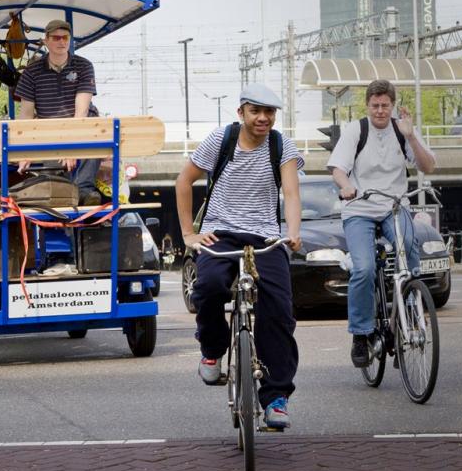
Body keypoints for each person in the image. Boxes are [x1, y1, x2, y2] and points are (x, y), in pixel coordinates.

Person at [175, 83, 303, 429]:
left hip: (265, 235)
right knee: (210, 286)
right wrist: (189, 233)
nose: (263, 118)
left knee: (278, 308)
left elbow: (291, 192)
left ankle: (276, 398)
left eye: (270, 112)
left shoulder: (282, 145)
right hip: (221, 231)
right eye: (255, 111)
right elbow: (183, 181)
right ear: (241, 113)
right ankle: (213, 349)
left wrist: (292, 231)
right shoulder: (221, 140)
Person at [326, 79, 436, 368]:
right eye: (374, 105)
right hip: (359, 207)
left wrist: (411, 137)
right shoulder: (356, 130)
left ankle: (409, 315)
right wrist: (347, 185)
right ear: (368, 105)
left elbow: (428, 166)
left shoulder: (402, 130)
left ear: (392, 105)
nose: (379, 111)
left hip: (394, 206)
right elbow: (338, 168)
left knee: (409, 249)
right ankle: (361, 334)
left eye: (385, 105)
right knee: (364, 268)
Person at [13, 19, 101, 205]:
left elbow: (81, 111)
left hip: (79, 126)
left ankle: (85, 192)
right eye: (56, 37)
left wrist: (71, 146)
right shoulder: (32, 72)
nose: (62, 42)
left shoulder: (83, 66)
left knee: (93, 133)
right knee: (54, 184)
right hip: (49, 129)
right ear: (46, 41)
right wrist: (25, 149)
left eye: (65, 37)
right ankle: (57, 193)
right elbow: (27, 115)